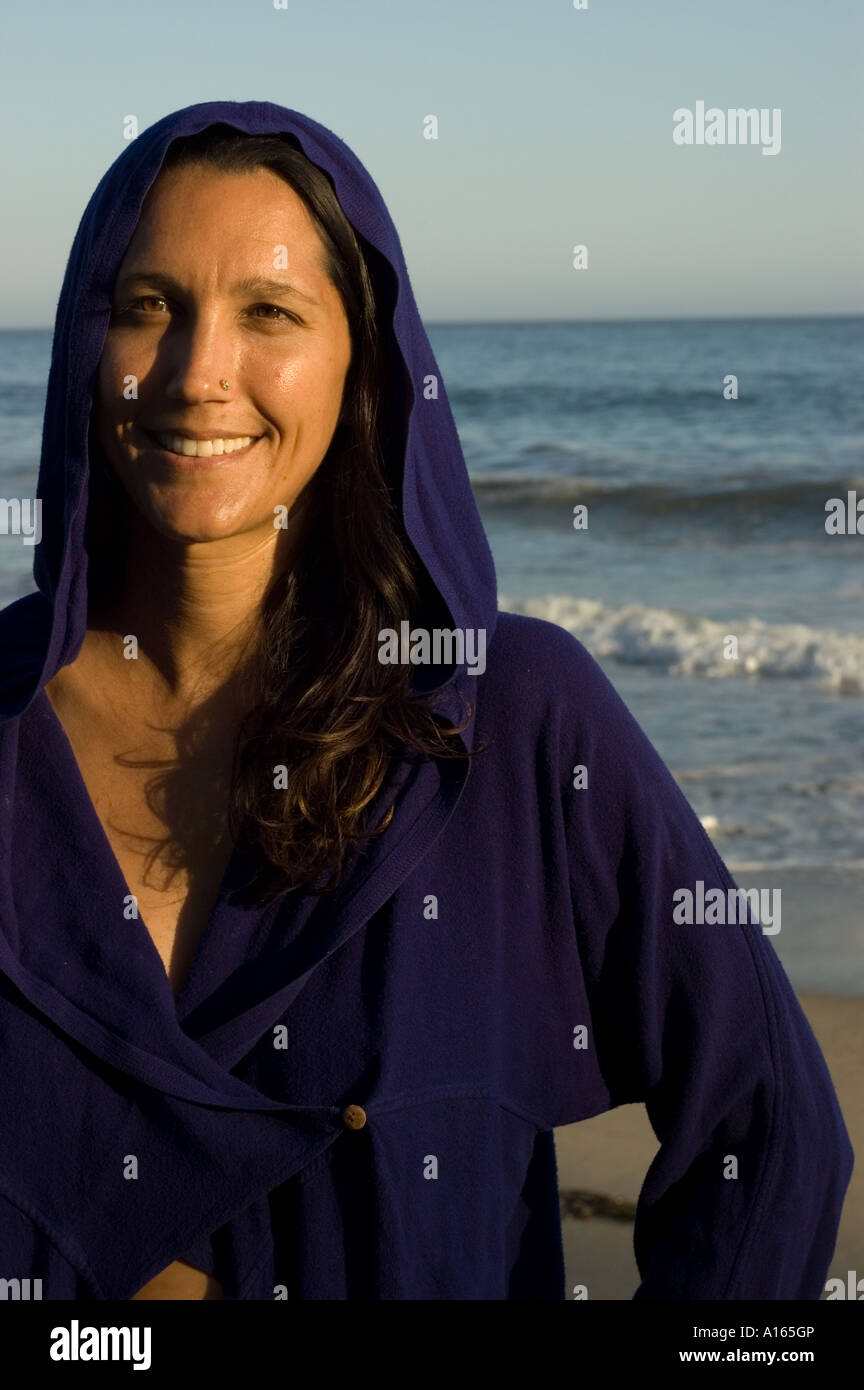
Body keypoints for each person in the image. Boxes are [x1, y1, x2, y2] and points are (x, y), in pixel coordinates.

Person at [0, 100, 852, 1302]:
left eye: (270, 313)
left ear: (363, 367)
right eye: (149, 307)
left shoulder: (510, 727)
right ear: (87, 343)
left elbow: (769, 1133)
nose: (198, 374)